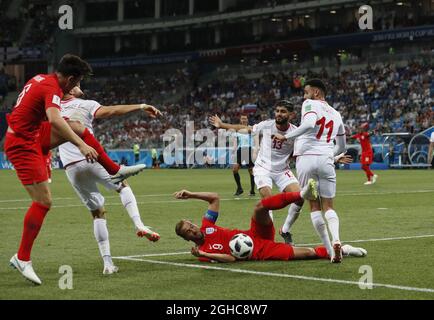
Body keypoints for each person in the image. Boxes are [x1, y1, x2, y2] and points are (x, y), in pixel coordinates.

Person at [4, 54, 145, 285]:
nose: (77, 87)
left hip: (32, 135)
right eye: (77, 82)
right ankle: (22, 258)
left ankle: (115, 169)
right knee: (43, 202)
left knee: (78, 126)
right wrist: (82, 146)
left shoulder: (41, 78)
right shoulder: (53, 88)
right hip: (22, 144)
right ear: (70, 79)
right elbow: (55, 119)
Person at [209, 101, 351, 245]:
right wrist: (222, 125)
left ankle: (285, 230)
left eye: (283, 111)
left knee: (300, 198)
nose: (278, 114)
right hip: (263, 168)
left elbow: (309, 152)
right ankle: (269, 238)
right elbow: (244, 128)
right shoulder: (267, 125)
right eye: (277, 111)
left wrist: (334, 158)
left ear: (291, 115)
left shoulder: (296, 132)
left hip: (282, 170)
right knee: (268, 200)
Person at [59, 86, 161, 274]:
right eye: (78, 83)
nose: (81, 86)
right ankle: (139, 224)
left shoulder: (54, 109)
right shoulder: (85, 104)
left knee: (98, 214)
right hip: (91, 156)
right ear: (70, 88)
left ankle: (107, 264)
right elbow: (112, 111)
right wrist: (141, 105)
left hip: (71, 167)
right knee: (122, 185)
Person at [173, 182, 366, 263]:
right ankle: (344, 249)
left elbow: (214, 198)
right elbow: (231, 259)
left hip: (253, 234)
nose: (193, 230)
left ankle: (301, 193)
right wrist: (205, 253)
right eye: (188, 232)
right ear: (185, 239)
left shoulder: (207, 226)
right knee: (308, 253)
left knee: (260, 207)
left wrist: (191, 194)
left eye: (191, 225)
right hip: (260, 251)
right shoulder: (203, 253)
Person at [272, 79, 347, 263]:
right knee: (329, 206)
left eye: (305, 93)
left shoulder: (310, 104)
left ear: (315, 92)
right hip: (326, 158)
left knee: (314, 206)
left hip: (306, 158)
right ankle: (337, 239)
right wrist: (331, 155)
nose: (304, 97)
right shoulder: (336, 114)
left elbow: (308, 124)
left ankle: (330, 249)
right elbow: (342, 145)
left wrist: (285, 136)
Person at [232, 114, 255, 196]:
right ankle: (239, 188)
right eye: (242, 118)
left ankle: (252, 190)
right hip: (240, 150)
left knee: (251, 170)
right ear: (240, 119)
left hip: (249, 149)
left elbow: (255, 138)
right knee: (235, 169)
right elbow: (235, 140)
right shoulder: (237, 130)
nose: (244, 120)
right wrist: (234, 150)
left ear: (247, 120)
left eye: (245, 118)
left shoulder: (250, 128)